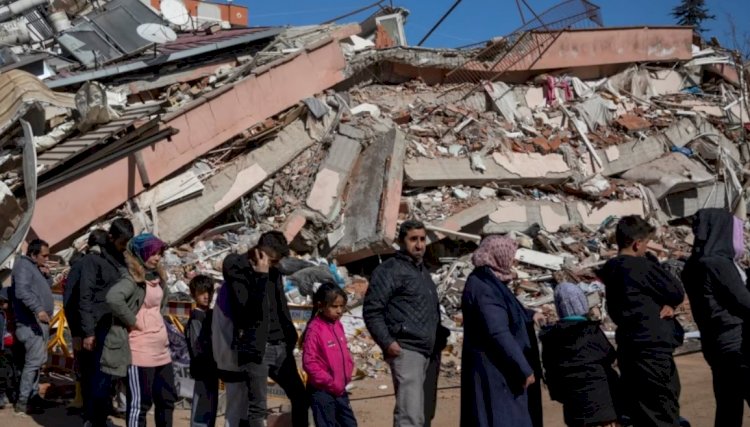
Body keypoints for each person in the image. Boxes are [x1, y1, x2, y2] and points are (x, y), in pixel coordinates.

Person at [598, 215, 686, 427]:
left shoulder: (611, 270)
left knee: (642, 412)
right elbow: (675, 291)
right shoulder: (640, 267)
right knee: (663, 411)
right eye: (646, 244)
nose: (648, 248)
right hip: (652, 351)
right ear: (637, 244)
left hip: (630, 348)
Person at [363, 219, 449, 427]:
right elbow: (372, 311)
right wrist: (388, 343)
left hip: (428, 351)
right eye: (413, 239)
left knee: (424, 414)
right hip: (407, 350)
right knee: (409, 416)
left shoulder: (421, 271)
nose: (419, 245)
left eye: (422, 239)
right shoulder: (390, 271)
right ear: (402, 242)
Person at [222, 230, 307, 427]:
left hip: (280, 346)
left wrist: (290, 336)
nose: (274, 265)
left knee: (300, 396)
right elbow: (246, 312)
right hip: (257, 348)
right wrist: (260, 276)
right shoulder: (237, 267)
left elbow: (280, 305)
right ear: (261, 252)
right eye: (272, 259)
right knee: (258, 409)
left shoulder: (274, 271)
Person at [681, 208, 750, 427]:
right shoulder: (718, 264)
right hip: (737, 344)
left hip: (714, 343)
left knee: (728, 406)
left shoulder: (693, 265)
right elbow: (744, 303)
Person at [460, 235, 537, 427]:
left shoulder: (490, 280)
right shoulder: (485, 286)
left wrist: (529, 314)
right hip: (496, 372)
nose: (513, 260)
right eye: (510, 255)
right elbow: (497, 331)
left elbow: (502, 310)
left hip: (498, 369)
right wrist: (523, 368)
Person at [104, 233, 176, 427]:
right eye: (153, 253)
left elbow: (160, 303)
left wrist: (157, 319)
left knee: (166, 398)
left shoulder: (157, 276)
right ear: (142, 252)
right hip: (140, 350)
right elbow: (113, 298)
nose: (157, 257)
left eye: (159, 253)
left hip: (161, 350)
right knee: (140, 404)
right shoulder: (132, 278)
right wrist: (133, 321)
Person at [78, 218, 134, 427]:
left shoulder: (121, 259)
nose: (124, 247)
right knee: (99, 376)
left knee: (111, 377)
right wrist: (88, 332)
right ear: (111, 238)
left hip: (117, 326)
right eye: (122, 242)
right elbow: (86, 296)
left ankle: (102, 416)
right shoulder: (95, 259)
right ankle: (94, 420)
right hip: (99, 327)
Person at [540, 283, 620, 427]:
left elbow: (549, 368)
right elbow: (610, 355)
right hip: (602, 403)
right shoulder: (591, 331)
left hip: (573, 405)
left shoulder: (550, 337)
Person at [63, 229, 108, 414]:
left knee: (94, 371)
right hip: (87, 331)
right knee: (90, 370)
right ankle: (90, 410)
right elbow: (71, 301)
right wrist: (76, 332)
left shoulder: (102, 265)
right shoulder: (83, 266)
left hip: (95, 329)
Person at [302, 283, 357, 427]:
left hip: (340, 390)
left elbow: (343, 349)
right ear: (321, 305)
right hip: (323, 392)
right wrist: (331, 383)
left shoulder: (337, 325)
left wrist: (350, 366)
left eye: (342, 306)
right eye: (334, 306)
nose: (339, 311)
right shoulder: (315, 330)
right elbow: (309, 363)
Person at [10, 238, 54, 416]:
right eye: (44, 255)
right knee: (32, 364)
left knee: (36, 364)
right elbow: (22, 291)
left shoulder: (33, 268)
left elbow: (42, 288)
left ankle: (33, 397)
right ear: (33, 254)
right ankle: (22, 403)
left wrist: (47, 276)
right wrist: (38, 309)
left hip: (37, 323)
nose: (46, 258)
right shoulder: (23, 266)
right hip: (30, 323)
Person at [185, 275, 218, 427]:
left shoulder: (210, 314)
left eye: (209, 292)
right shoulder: (196, 318)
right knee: (202, 409)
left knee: (210, 408)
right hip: (203, 369)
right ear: (193, 294)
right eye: (202, 292)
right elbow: (198, 348)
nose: (207, 296)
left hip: (212, 369)